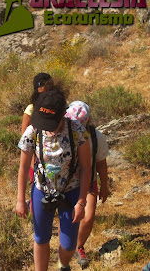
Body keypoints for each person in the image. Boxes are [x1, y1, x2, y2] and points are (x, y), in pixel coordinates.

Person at [15, 90, 92, 271]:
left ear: (62, 115)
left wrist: (81, 201)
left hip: (71, 191)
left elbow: (86, 167)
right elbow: (24, 167)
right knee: (41, 238)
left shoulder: (77, 131)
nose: (47, 126)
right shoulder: (33, 131)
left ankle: (63, 263)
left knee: (69, 244)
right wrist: (20, 200)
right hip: (42, 189)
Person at [65, 101, 109, 269]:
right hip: (67, 182)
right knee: (67, 217)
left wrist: (104, 186)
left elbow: (102, 164)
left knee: (88, 217)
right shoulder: (62, 133)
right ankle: (67, 247)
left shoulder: (96, 137)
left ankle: (78, 246)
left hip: (89, 181)